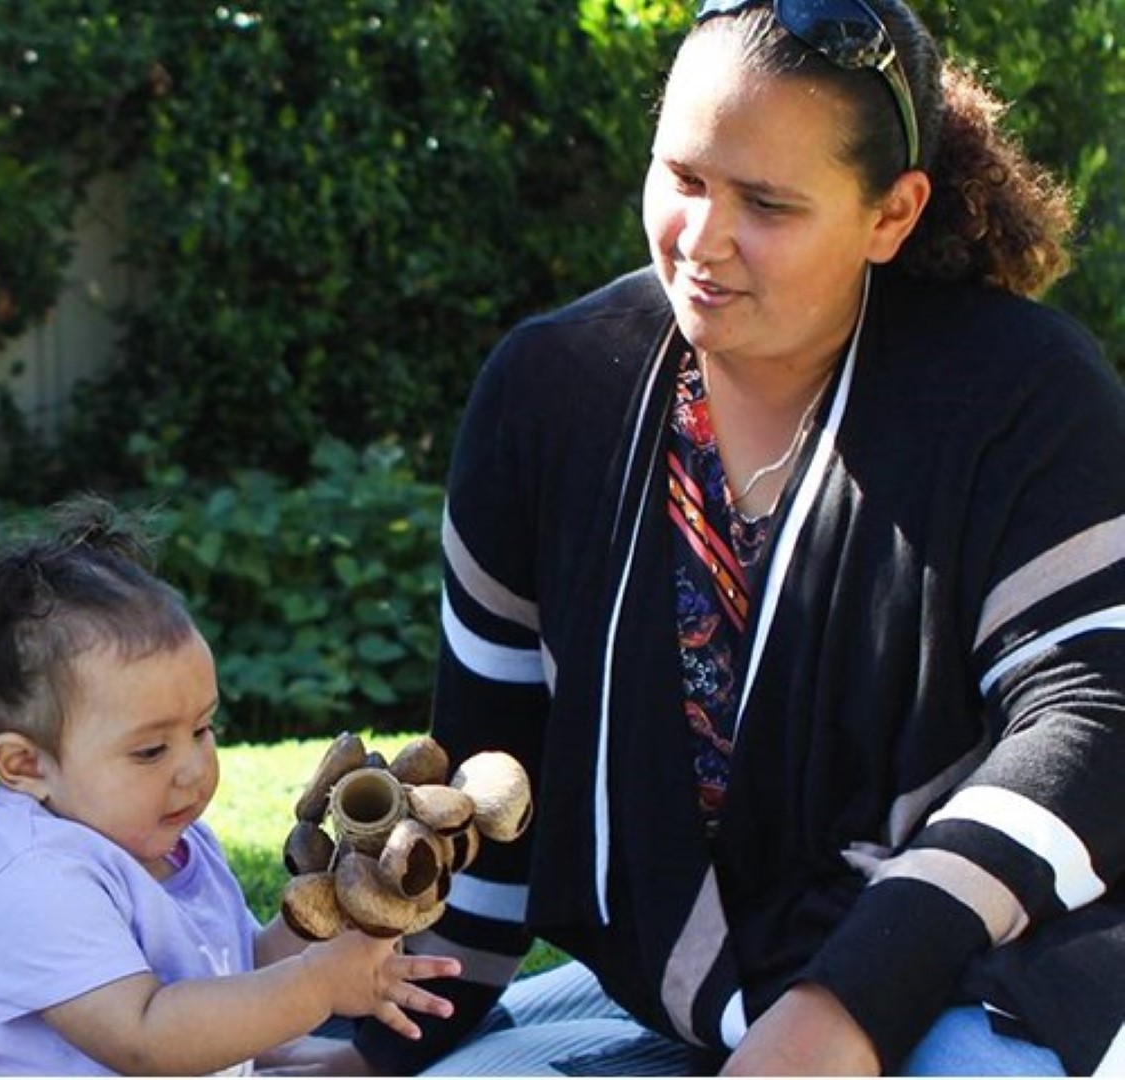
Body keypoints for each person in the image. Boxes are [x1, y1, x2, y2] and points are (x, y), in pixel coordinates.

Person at [338, 0, 1125, 1075]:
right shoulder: (550, 390)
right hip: (690, 989)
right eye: (685, 178)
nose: (702, 241)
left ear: (892, 215)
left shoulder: (1021, 393)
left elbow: (1094, 716)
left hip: (981, 973)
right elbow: (495, 767)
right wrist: (385, 1047)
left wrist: (846, 1010)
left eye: (767, 203)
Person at [0, 497, 462, 1075]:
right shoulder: (33, 875)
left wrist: (317, 920)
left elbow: (232, 986)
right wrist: (315, 986)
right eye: (151, 750)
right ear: (26, 765)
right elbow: (145, 1038)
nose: (192, 768)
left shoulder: (173, 842)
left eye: (202, 728)